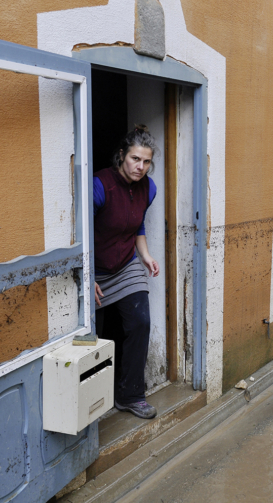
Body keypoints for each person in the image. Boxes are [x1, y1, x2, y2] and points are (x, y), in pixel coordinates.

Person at [93, 125, 160, 419]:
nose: (140, 167)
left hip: (126, 262)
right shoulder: (100, 185)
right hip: (94, 267)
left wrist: (145, 256)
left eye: (146, 161)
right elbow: (79, 233)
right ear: (122, 155)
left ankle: (130, 394)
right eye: (135, 159)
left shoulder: (149, 187)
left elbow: (138, 225)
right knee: (93, 335)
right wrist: (87, 277)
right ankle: (91, 403)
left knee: (140, 323)